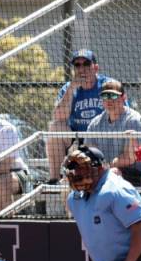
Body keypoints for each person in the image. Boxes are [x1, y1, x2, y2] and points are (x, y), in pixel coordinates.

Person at [46, 49, 110, 182]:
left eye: (86, 64)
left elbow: (121, 111)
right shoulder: (68, 88)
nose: (82, 68)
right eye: (77, 65)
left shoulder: (106, 85)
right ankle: (54, 178)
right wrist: (71, 89)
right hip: (77, 137)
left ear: (95, 67)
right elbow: (58, 116)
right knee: (55, 127)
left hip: (102, 135)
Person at [85, 80, 141, 187]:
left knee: (113, 174)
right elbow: (90, 152)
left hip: (132, 175)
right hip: (103, 172)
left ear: (123, 98)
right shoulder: (95, 123)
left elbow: (129, 158)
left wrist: (106, 167)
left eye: (113, 96)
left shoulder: (134, 120)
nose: (109, 100)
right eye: (105, 96)